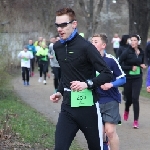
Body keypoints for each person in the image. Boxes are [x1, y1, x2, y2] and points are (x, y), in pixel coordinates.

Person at [50, 7, 113, 150]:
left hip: (88, 108)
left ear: (74, 24)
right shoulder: (57, 47)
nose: (60, 29)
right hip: (67, 107)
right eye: (57, 25)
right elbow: (66, 73)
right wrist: (59, 91)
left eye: (63, 25)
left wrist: (87, 84)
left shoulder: (86, 47)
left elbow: (107, 73)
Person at [92, 33, 126, 150]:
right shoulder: (88, 61)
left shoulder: (111, 60)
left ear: (103, 45)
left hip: (110, 99)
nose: (92, 44)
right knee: (100, 134)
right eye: (92, 41)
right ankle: (105, 146)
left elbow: (123, 78)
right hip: (94, 100)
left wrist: (111, 84)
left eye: (96, 42)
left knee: (110, 132)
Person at [119, 34, 147, 128]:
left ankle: (135, 121)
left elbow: (142, 62)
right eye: (132, 40)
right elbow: (119, 64)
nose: (133, 42)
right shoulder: (126, 52)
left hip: (138, 78)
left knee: (135, 98)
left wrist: (142, 65)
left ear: (138, 42)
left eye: (135, 40)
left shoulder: (142, 52)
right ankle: (127, 108)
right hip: (128, 78)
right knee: (129, 98)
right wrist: (130, 67)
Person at [117, 35, 130, 101]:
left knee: (129, 80)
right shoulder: (121, 48)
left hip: (129, 66)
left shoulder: (130, 47)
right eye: (129, 39)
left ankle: (126, 92)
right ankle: (125, 93)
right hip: (123, 66)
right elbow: (118, 57)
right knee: (125, 80)